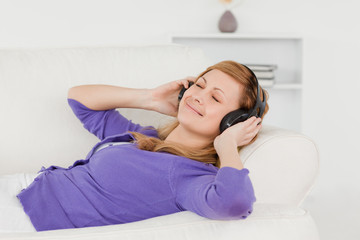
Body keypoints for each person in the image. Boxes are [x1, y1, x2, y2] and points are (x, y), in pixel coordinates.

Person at [13, 60, 269, 231]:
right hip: (22, 189)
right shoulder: (146, 137)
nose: (198, 96)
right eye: (199, 85)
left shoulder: (190, 176)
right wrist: (149, 98)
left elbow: (234, 203)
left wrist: (227, 145)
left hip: (27, 217)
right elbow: (80, 100)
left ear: (232, 121)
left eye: (215, 98)